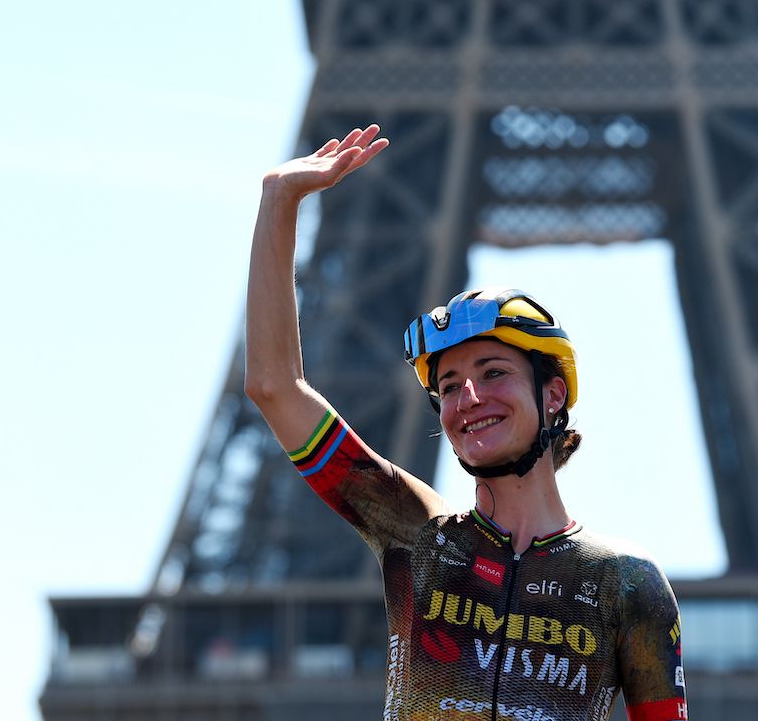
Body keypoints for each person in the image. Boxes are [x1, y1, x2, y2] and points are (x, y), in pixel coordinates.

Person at [246, 124, 688, 721]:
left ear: (553, 394)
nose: (469, 397)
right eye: (449, 385)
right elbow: (274, 387)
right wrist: (279, 200)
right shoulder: (415, 534)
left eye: (495, 372)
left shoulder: (627, 585)